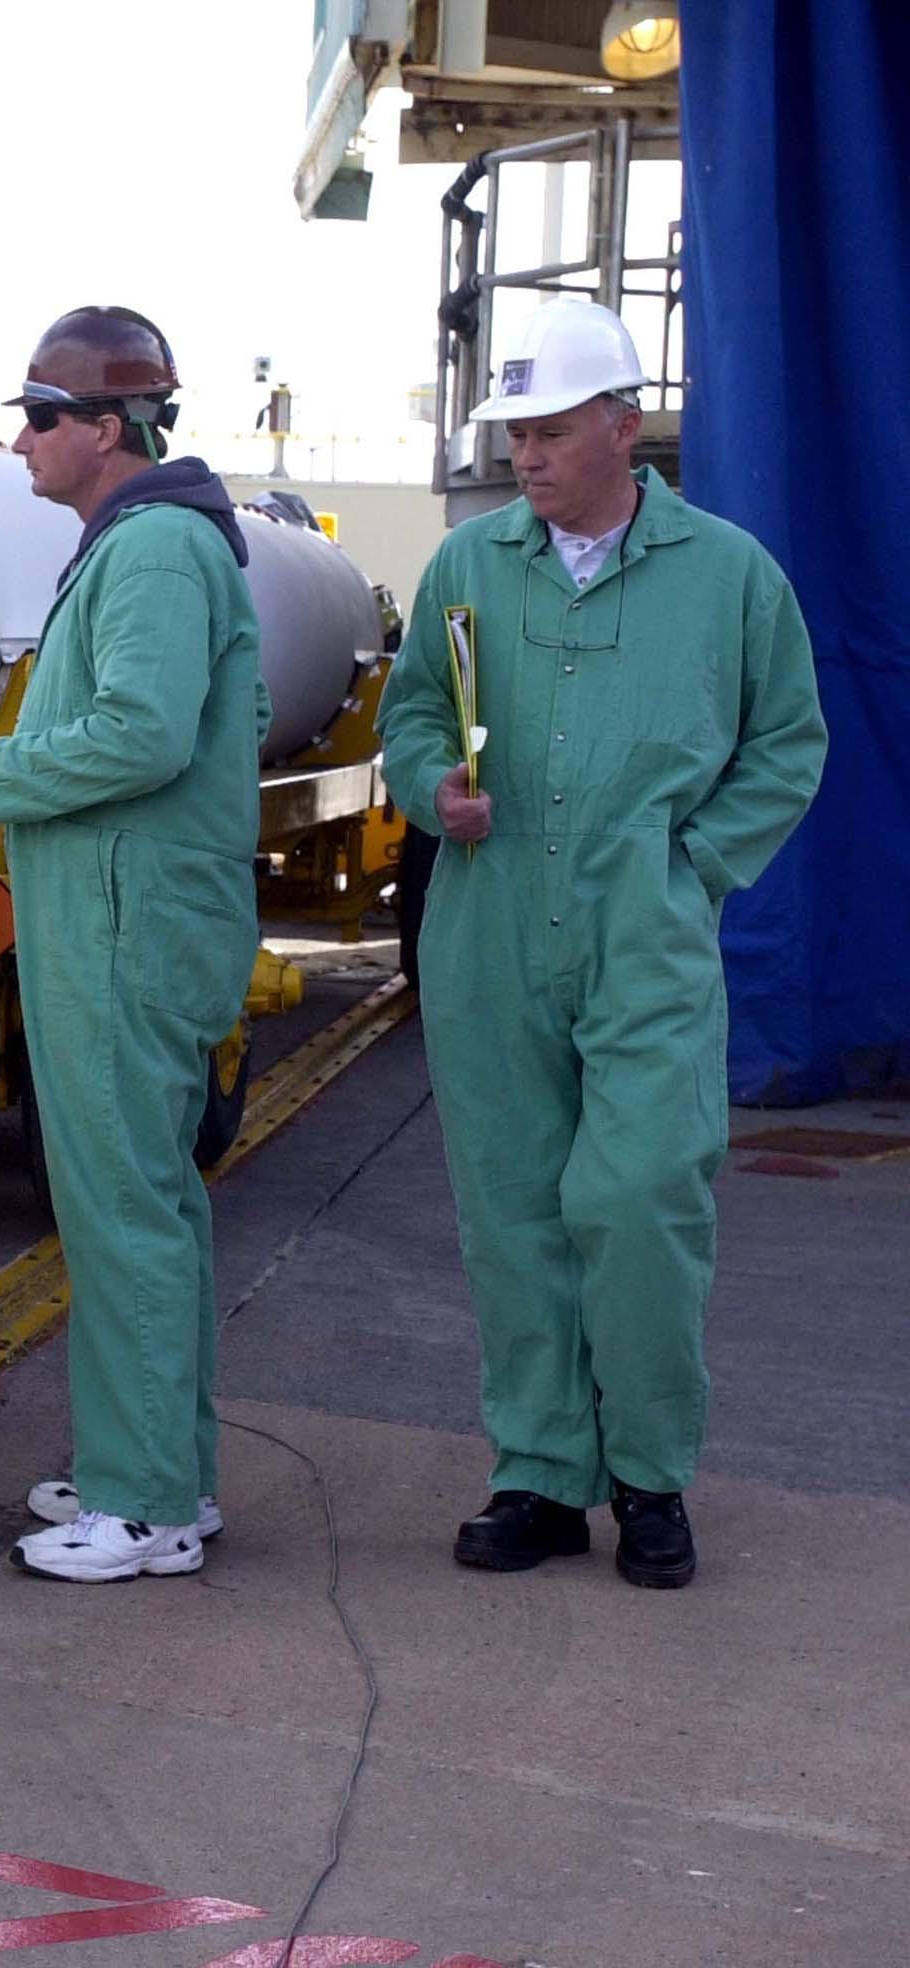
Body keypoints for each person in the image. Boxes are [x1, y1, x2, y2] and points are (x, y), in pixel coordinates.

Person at [378, 301, 825, 1589]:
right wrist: (428, 791)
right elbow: (415, 714)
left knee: (636, 1203)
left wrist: (694, 867)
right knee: (514, 1214)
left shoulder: (731, 574)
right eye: (516, 432)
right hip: (491, 930)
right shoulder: (468, 568)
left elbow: (789, 743)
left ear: (625, 427)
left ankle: (650, 1476)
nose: (527, 454)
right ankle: (539, 1477)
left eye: (553, 429)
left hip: (646, 940)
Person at [0, 306, 268, 1582]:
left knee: (125, 1208)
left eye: (41, 416)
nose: (21, 440)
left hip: (127, 932)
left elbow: (140, 735)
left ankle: (143, 1507)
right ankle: (158, 1468)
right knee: (145, 1205)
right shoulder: (141, 545)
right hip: (125, 921)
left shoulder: (159, 552)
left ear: (105, 429)